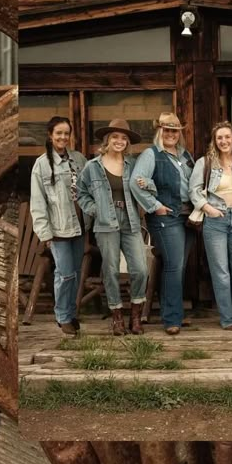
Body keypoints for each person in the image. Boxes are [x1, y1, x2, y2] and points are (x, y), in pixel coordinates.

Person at [77, 117, 149, 335]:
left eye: (124, 138)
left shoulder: (134, 164)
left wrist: (148, 184)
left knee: (140, 269)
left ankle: (135, 317)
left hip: (130, 219)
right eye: (115, 137)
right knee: (110, 270)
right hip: (106, 222)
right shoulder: (92, 167)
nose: (119, 141)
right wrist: (96, 210)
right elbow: (81, 194)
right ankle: (117, 317)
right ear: (107, 140)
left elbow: (147, 186)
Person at [129, 112, 194, 335]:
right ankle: (171, 319)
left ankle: (173, 312)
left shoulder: (185, 155)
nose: (170, 135)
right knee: (174, 266)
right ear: (159, 131)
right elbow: (135, 183)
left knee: (179, 266)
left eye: (174, 130)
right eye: (166, 130)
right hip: (165, 216)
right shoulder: (151, 154)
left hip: (187, 216)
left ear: (179, 133)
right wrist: (154, 205)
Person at [29, 116, 88, 337]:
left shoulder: (79, 159)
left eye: (66, 133)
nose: (63, 137)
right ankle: (62, 315)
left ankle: (72, 313)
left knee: (76, 271)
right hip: (59, 228)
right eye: (59, 133)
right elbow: (38, 202)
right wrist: (44, 233)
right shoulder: (42, 164)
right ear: (50, 135)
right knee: (64, 274)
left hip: (80, 225)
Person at [189, 122, 232, 330]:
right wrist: (208, 208)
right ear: (215, 142)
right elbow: (194, 190)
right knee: (221, 272)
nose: (223, 141)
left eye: (227, 137)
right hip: (216, 220)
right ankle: (228, 318)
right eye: (219, 138)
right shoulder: (205, 163)